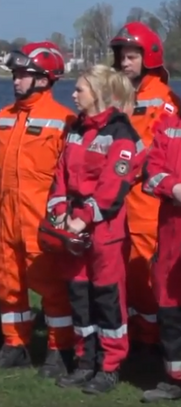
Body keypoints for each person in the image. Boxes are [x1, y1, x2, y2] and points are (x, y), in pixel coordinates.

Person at [0, 42, 76, 378]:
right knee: (8, 284)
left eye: (24, 75)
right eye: (16, 75)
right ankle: (14, 345)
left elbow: (71, 174)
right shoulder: (2, 119)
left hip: (42, 222)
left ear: (45, 80)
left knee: (52, 287)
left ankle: (59, 349)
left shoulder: (64, 121)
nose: (16, 81)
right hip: (6, 221)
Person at [47, 65, 145, 394]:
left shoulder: (121, 134)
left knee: (107, 298)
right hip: (74, 226)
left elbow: (113, 186)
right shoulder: (76, 129)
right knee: (79, 295)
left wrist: (83, 217)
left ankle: (110, 365)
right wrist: (60, 211)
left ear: (99, 94)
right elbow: (60, 173)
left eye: (79, 90)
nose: (73, 95)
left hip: (105, 229)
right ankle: (85, 361)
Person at [110, 21, 181, 351]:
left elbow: (152, 150)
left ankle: (152, 342)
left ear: (148, 57)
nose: (125, 63)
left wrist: (117, 167)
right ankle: (135, 337)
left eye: (132, 57)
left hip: (146, 204)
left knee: (146, 276)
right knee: (123, 273)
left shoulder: (162, 101)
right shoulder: (120, 96)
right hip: (119, 201)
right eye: (122, 57)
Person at [139, 111, 181, 403]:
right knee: (170, 309)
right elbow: (151, 173)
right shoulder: (170, 126)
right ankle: (175, 378)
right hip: (171, 236)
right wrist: (175, 187)